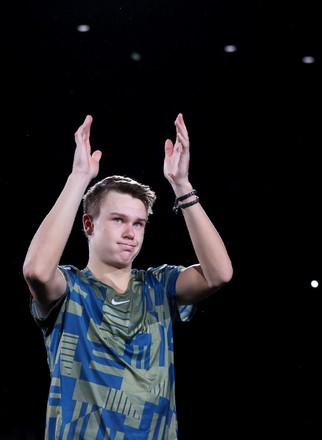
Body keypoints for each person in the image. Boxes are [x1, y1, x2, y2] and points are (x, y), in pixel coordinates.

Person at [23, 113, 233, 440]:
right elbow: (36, 270)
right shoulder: (71, 290)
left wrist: (182, 186)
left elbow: (219, 274)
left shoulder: (158, 286)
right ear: (89, 225)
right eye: (119, 219)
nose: (131, 232)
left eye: (139, 223)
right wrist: (78, 178)